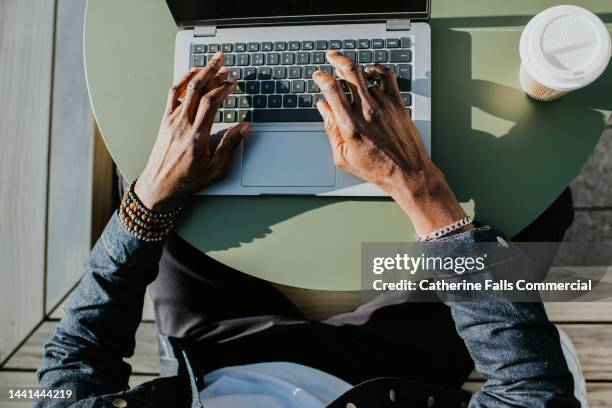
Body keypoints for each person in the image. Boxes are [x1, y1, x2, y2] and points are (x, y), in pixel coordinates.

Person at [36, 51, 584, 408]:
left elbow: (75, 361)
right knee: (535, 209)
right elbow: (535, 395)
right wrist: (419, 190)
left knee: (162, 179)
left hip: (215, 356)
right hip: (391, 374)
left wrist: (150, 200)